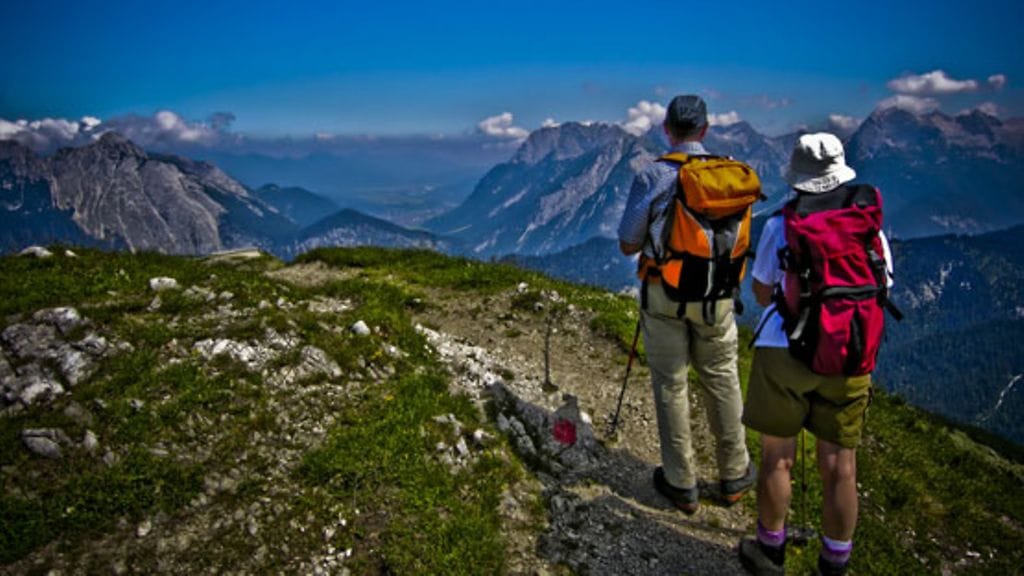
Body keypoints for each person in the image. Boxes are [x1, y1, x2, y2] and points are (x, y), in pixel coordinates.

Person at [738, 133, 894, 576]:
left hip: (784, 349)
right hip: (849, 352)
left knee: (777, 457)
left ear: (798, 177)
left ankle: (770, 550)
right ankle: (834, 562)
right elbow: (884, 286)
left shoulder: (781, 225)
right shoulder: (869, 226)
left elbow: (762, 291)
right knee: (841, 466)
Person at [617, 94, 755, 515]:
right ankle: (735, 474)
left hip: (665, 293)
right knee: (722, 377)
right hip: (719, 297)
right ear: (705, 129)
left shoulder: (653, 175)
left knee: (671, 384)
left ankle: (681, 482)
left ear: (666, 129)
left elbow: (628, 244)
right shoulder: (731, 174)